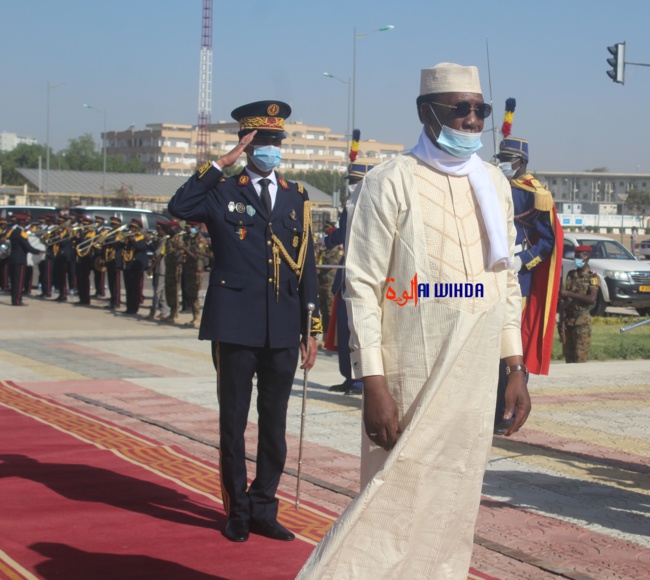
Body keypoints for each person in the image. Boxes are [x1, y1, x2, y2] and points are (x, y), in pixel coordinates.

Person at [298, 62, 530, 579]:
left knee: (454, 497)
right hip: (408, 371)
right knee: (395, 500)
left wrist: (515, 365)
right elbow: (362, 285)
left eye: (480, 110)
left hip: (473, 375)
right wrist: (373, 382)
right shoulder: (389, 180)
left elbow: (506, 279)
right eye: (461, 109)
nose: (473, 120)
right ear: (428, 112)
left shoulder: (493, 182)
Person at [168, 100, 320, 544]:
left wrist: (310, 328)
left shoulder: (297, 196)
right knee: (233, 422)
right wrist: (221, 164)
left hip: (283, 327)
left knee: (274, 422)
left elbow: (306, 265)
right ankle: (236, 509)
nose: (271, 148)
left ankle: (263, 506)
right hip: (234, 324)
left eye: (277, 141)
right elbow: (179, 206)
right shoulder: (221, 190)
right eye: (262, 141)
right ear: (246, 144)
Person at [493, 135, 562, 434]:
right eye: (500, 159)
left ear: (520, 163)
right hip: (490, 271)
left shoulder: (536, 194)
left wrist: (525, 260)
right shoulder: (493, 185)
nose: (502, 164)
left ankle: (506, 413)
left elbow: (548, 241)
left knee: (511, 350)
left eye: (507, 160)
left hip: (518, 278)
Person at [325, 161, 374, 395]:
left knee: (361, 330)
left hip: (366, 276)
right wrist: (326, 240)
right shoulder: (349, 205)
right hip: (346, 276)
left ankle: (361, 380)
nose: (352, 186)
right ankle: (349, 376)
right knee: (344, 331)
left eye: (356, 182)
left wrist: (328, 241)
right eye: (351, 182)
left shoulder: (374, 204)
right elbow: (342, 233)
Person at [559, 245, 598, 363]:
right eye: (575, 256)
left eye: (579, 256)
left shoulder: (592, 276)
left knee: (580, 358)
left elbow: (592, 298)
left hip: (582, 323)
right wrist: (561, 322)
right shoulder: (571, 275)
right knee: (568, 358)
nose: (576, 259)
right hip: (568, 321)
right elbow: (562, 297)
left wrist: (570, 294)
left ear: (586, 257)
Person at [7, 214, 42, 306]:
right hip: (20, 259)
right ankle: (18, 300)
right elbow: (27, 246)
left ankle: (14, 299)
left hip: (13, 258)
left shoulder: (13, 231)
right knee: (19, 281)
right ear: (22, 222)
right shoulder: (21, 232)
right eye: (25, 221)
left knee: (14, 281)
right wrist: (38, 251)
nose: (26, 222)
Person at [180, 221, 209, 328]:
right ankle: (194, 317)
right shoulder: (191, 239)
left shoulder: (200, 239)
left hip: (197, 271)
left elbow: (198, 256)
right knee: (190, 294)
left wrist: (185, 250)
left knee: (195, 294)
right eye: (190, 226)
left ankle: (197, 317)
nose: (191, 228)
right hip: (190, 269)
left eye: (193, 226)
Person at [121, 218, 149, 315]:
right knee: (128, 288)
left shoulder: (141, 238)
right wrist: (125, 242)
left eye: (134, 228)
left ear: (137, 229)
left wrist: (132, 240)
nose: (131, 230)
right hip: (128, 265)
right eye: (131, 227)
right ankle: (129, 307)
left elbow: (140, 247)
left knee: (135, 289)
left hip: (137, 266)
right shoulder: (129, 238)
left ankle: (134, 308)